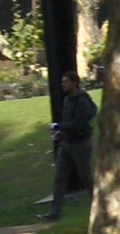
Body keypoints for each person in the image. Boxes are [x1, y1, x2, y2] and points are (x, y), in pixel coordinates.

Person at [38, 71, 97, 222]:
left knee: (86, 178)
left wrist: (60, 126)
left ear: (74, 83)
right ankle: (55, 213)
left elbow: (80, 123)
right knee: (59, 177)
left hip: (80, 144)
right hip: (67, 143)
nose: (63, 84)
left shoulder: (82, 101)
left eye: (66, 82)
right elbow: (68, 121)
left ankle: (99, 207)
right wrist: (60, 133)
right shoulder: (67, 100)